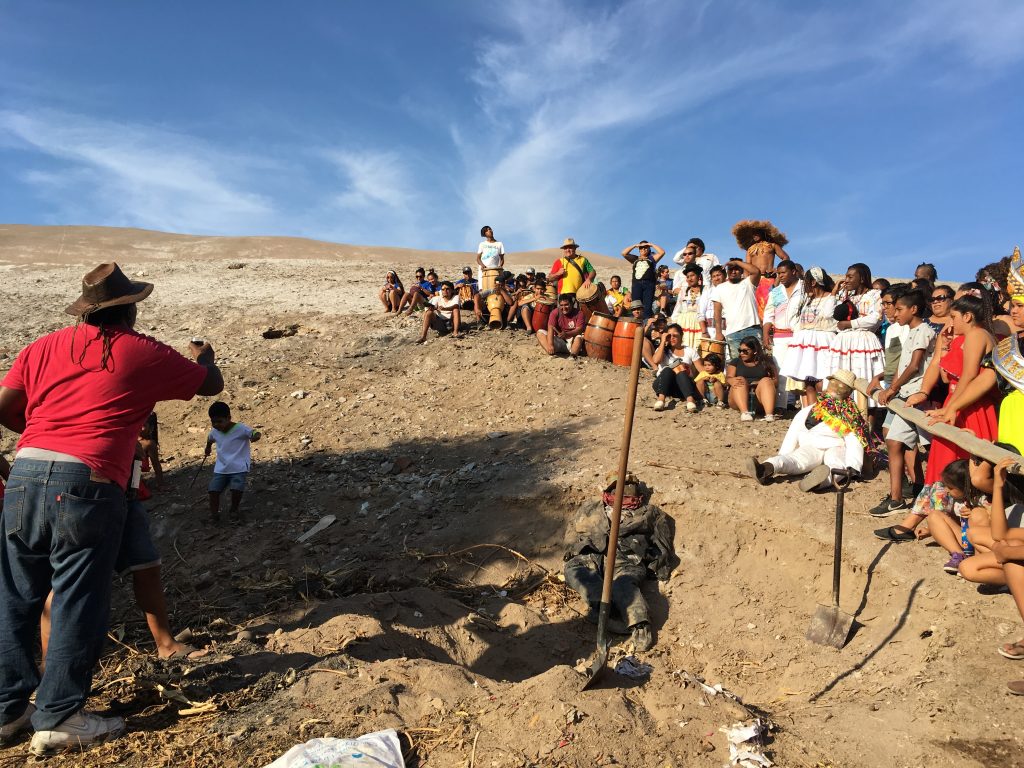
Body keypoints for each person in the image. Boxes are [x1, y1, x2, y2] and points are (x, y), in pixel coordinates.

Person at [0, 263, 222, 754]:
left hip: (24, 472)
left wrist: (45, 436)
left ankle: (7, 710)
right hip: (89, 478)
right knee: (79, 595)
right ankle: (59, 715)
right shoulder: (140, 351)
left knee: (17, 595)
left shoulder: (42, 346)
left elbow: (4, 405)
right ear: (132, 308)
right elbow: (209, 386)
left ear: (85, 311)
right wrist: (206, 355)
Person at [563, 474, 677, 652]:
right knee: (574, 570)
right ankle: (603, 609)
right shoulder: (591, 507)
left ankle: (639, 623)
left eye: (628, 494)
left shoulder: (650, 513)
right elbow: (572, 533)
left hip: (626, 559)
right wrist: (573, 551)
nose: (623, 497)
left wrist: (657, 568)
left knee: (623, 585)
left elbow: (663, 544)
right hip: (593, 555)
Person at [746, 370, 872, 492]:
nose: (836, 388)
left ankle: (819, 482)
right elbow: (794, 431)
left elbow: (854, 440)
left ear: (848, 391)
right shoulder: (811, 409)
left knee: (836, 465)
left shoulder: (849, 416)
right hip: (811, 446)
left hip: (836, 446)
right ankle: (767, 468)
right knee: (796, 460)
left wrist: (853, 465)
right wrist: (784, 453)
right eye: (834, 383)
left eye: (842, 386)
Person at [869, 290, 935, 517]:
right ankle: (896, 498)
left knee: (927, 446)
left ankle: (921, 491)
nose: (895, 314)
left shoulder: (924, 331)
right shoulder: (911, 332)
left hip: (916, 396)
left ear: (913, 309)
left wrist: (893, 388)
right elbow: (901, 365)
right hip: (904, 394)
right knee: (894, 441)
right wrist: (892, 386)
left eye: (899, 309)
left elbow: (915, 365)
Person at [779, 266, 837, 407]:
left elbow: (829, 315)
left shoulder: (830, 297)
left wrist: (834, 293)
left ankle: (826, 413)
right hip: (806, 342)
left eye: (806, 281)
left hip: (823, 341)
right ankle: (812, 415)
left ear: (813, 282)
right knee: (808, 383)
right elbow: (793, 318)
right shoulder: (806, 299)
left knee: (821, 382)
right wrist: (801, 331)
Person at [829, 263, 884, 402]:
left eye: (850, 276)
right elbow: (830, 316)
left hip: (864, 342)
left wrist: (851, 323)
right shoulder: (845, 297)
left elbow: (875, 318)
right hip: (844, 343)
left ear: (862, 279)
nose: (846, 280)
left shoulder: (874, 295)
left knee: (864, 379)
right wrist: (835, 293)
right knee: (843, 383)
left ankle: (868, 422)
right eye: (846, 276)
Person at [205, 401, 261, 525]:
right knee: (213, 490)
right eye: (213, 422)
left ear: (228, 418)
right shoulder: (215, 432)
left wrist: (255, 436)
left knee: (236, 489)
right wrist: (207, 448)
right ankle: (214, 515)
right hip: (221, 468)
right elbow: (210, 439)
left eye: (219, 421)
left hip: (239, 466)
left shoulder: (240, 428)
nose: (216, 425)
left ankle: (233, 510)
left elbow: (254, 432)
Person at [762, 260, 804, 410]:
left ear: (794, 272)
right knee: (780, 370)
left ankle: (794, 403)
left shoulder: (805, 289)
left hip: (799, 335)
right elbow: (768, 314)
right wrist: (766, 333)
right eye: (778, 273)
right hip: (779, 336)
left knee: (799, 369)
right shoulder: (775, 292)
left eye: (783, 273)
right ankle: (781, 406)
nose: (780, 276)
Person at [731, 220, 790, 318]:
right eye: (753, 234)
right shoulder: (750, 250)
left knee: (772, 304)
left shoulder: (772, 245)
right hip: (756, 281)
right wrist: (747, 282)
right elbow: (747, 267)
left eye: (757, 233)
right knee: (757, 306)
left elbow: (785, 257)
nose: (754, 235)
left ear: (763, 233)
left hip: (770, 279)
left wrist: (778, 270)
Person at [711, 259, 762, 360]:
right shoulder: (719, 288)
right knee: (737, 362)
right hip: (733, 332)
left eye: (737, 269)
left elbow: (756, 271)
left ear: (742, 271)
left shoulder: (748, 283)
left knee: (758, 361)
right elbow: (717, 313)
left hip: (752, 329)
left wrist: (737, 262)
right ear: (727, 271)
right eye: (731, 269)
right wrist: (718, 332)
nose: (733, 272)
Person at [650, 324, 701, 413]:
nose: (672, 338)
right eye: (669, 336)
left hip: (683, 387)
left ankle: (690, 400)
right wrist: (663, 341)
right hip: (663, 384)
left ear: (681, 335)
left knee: (680, 370)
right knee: (668, 369)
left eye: (675, 335)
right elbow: (656, 360)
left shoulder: (690, 351)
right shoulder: (663, 349)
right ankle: (661, 399)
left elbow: (701, 370)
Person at [727, 336, 778, 422]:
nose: (741, 353)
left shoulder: (766, 361)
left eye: (745, 351)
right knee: (739, 380)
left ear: (755, 351)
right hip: (738, 397)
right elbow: (728, 378)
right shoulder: (736, 362)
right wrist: (730, 380)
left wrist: (758, 383)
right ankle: (745, 413)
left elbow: (775, 381)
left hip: (760, 398)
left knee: (766, 380)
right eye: (740, 350)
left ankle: (769, 414)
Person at [621, 240, 665, 318]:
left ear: (649, 249)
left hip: (649, 284)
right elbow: (624, 253)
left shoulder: (652, 258)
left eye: (645, 247)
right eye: (641, 248)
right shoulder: (635, 258)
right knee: (636, 305)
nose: (643, 249)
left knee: (647, 305)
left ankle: (646, 323)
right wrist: (635, 245)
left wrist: (650, 244)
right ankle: (636, 323)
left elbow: (662, 252)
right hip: (636, 284)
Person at [670, 263, 706, 349]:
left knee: (698, 348)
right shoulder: (683, 291)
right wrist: (674, 323)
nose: (689, 279)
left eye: (692, 276)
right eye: (688, 277)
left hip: (699, 323)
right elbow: (677, 308)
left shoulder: (706, 290)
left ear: (698, 276)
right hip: (684, 323)